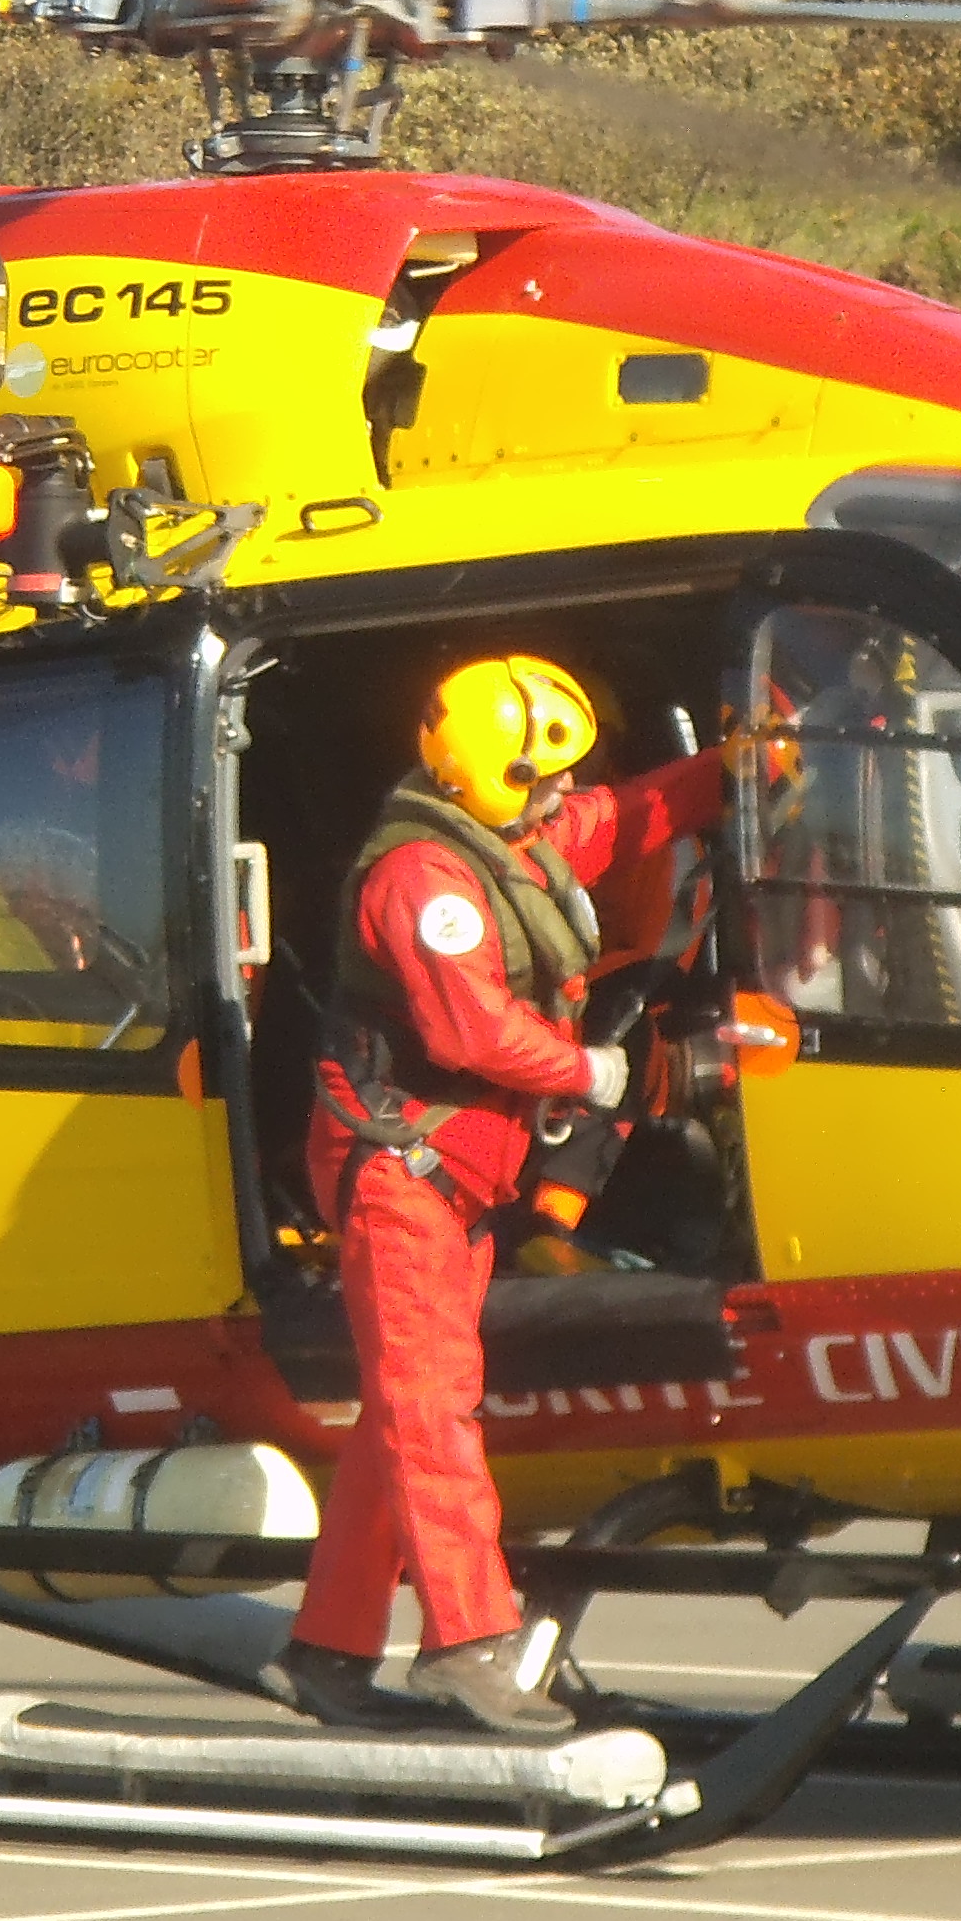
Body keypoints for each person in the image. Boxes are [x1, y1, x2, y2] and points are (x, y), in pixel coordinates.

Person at [278, 653, 728, 1737]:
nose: (558, 796)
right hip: (405, 1174)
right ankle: (468, 1647)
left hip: (452, 1176)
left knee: (402, 1412)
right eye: (540, 777)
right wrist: (599, 1075)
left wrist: (739, 765)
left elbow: (618, 820)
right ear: (492, 773)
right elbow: (468, 1030)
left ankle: (328, 1650)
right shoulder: (422, 883)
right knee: (432, 1410)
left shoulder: (508, 839)